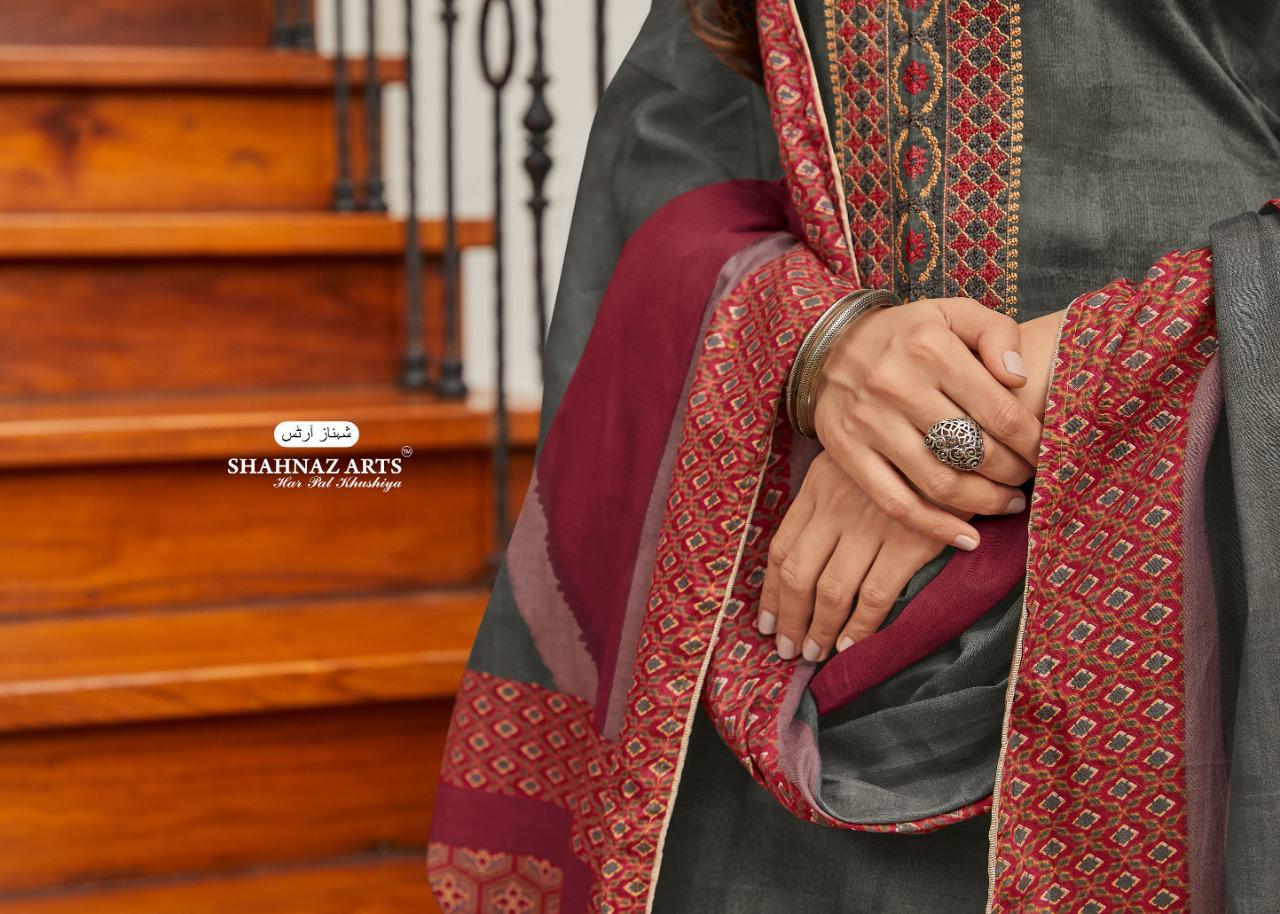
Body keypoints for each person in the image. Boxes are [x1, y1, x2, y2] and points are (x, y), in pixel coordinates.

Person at [427, 1, 1280, 911]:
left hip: (1201, 563)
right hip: (805, 596)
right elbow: (674, 155)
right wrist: (824, 347)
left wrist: (1045, 379)